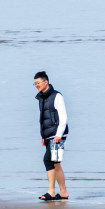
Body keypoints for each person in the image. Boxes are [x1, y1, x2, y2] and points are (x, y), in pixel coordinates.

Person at [34, 71, 69, 201]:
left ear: (46, 82)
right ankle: (63, 192)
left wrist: (59, 134)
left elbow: (63, 117)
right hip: (48, 136)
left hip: (57, 135)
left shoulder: (57, 96)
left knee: (47, 160)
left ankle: (51, 191)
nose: (36, 85)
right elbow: (43, 119)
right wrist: (43, 135)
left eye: (38, 83)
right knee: (56, 163)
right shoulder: (41, 98)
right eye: (35, 83)